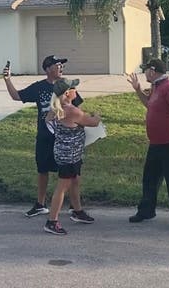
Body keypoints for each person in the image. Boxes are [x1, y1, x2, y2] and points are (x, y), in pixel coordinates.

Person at [3, 55, 83, 217]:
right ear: (47, 69)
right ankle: (40, 204)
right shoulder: (39, 87)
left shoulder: (66, 86)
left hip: (65, 139)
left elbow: (78, 110)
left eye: (62, 65)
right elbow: (16, 96)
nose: (61, 68)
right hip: (45, 137)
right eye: (57, 65)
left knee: (71, 174)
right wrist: (7, 80)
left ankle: (75, 207)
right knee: (43, 170)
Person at [126, 58, 169, 231]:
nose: (144, 73)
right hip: (156, 144)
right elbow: (149, 105)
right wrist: (138, 90)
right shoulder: (156, 87)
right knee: (150, 180)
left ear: (153, 71)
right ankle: (146, 211)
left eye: (146, 69)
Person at [43, 78, 101, 235]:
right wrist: (97, 115)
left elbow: (49, 123)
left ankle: (77, 211)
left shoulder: (55, 109)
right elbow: (93, 122)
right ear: (67, 93)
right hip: (70, 156)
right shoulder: (72, 111)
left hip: (64, 153)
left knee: (75, 180)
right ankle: (52, 221)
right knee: (63, 187)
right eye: (74, 88)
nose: (76, 91)